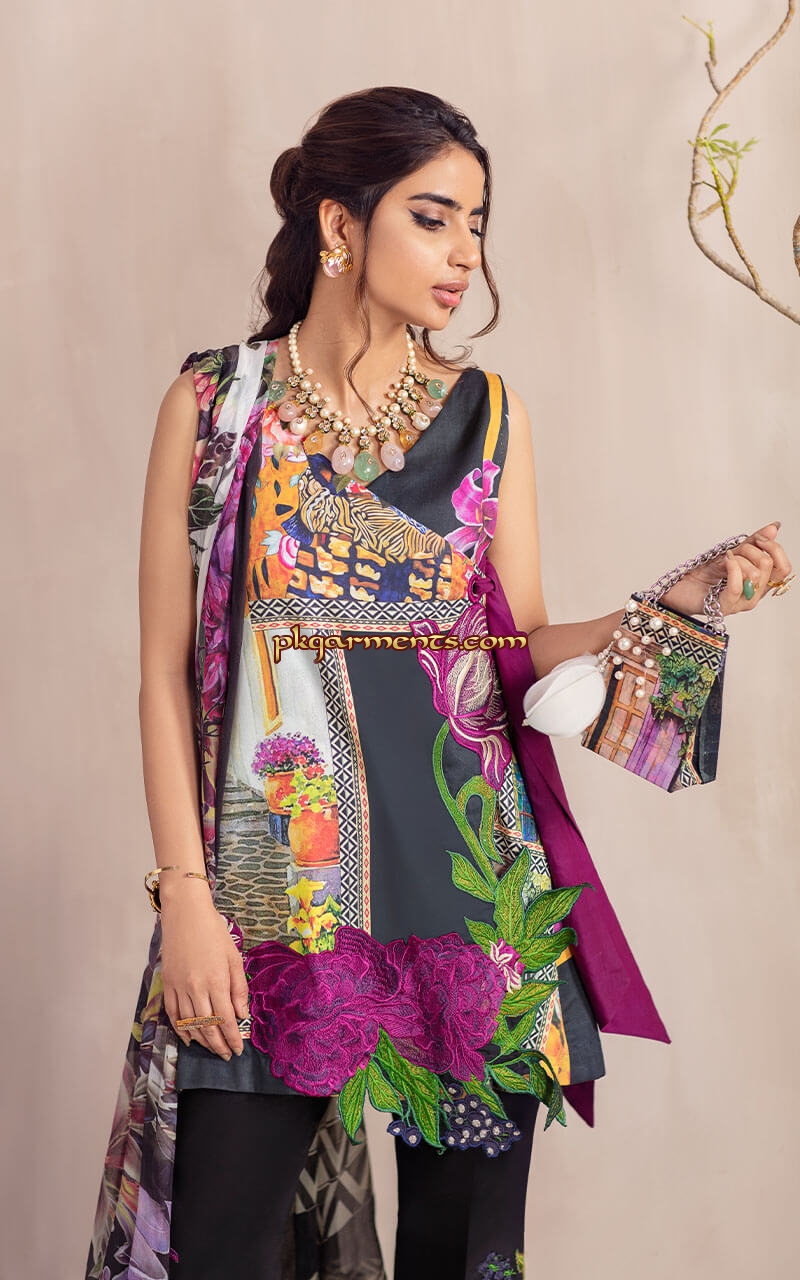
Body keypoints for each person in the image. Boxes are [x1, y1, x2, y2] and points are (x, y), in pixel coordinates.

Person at [85, 86, 793, 1280]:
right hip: (272, 887)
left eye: (476, 223)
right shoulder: (215, 404)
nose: (465, 252)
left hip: (475, 901)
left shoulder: (488, 414)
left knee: (466, 1257)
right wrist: (186, 895)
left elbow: (513, 652)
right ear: (338, 221)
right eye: (432, 217)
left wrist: (680, 602)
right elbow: (161, 672)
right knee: (219, 1249)